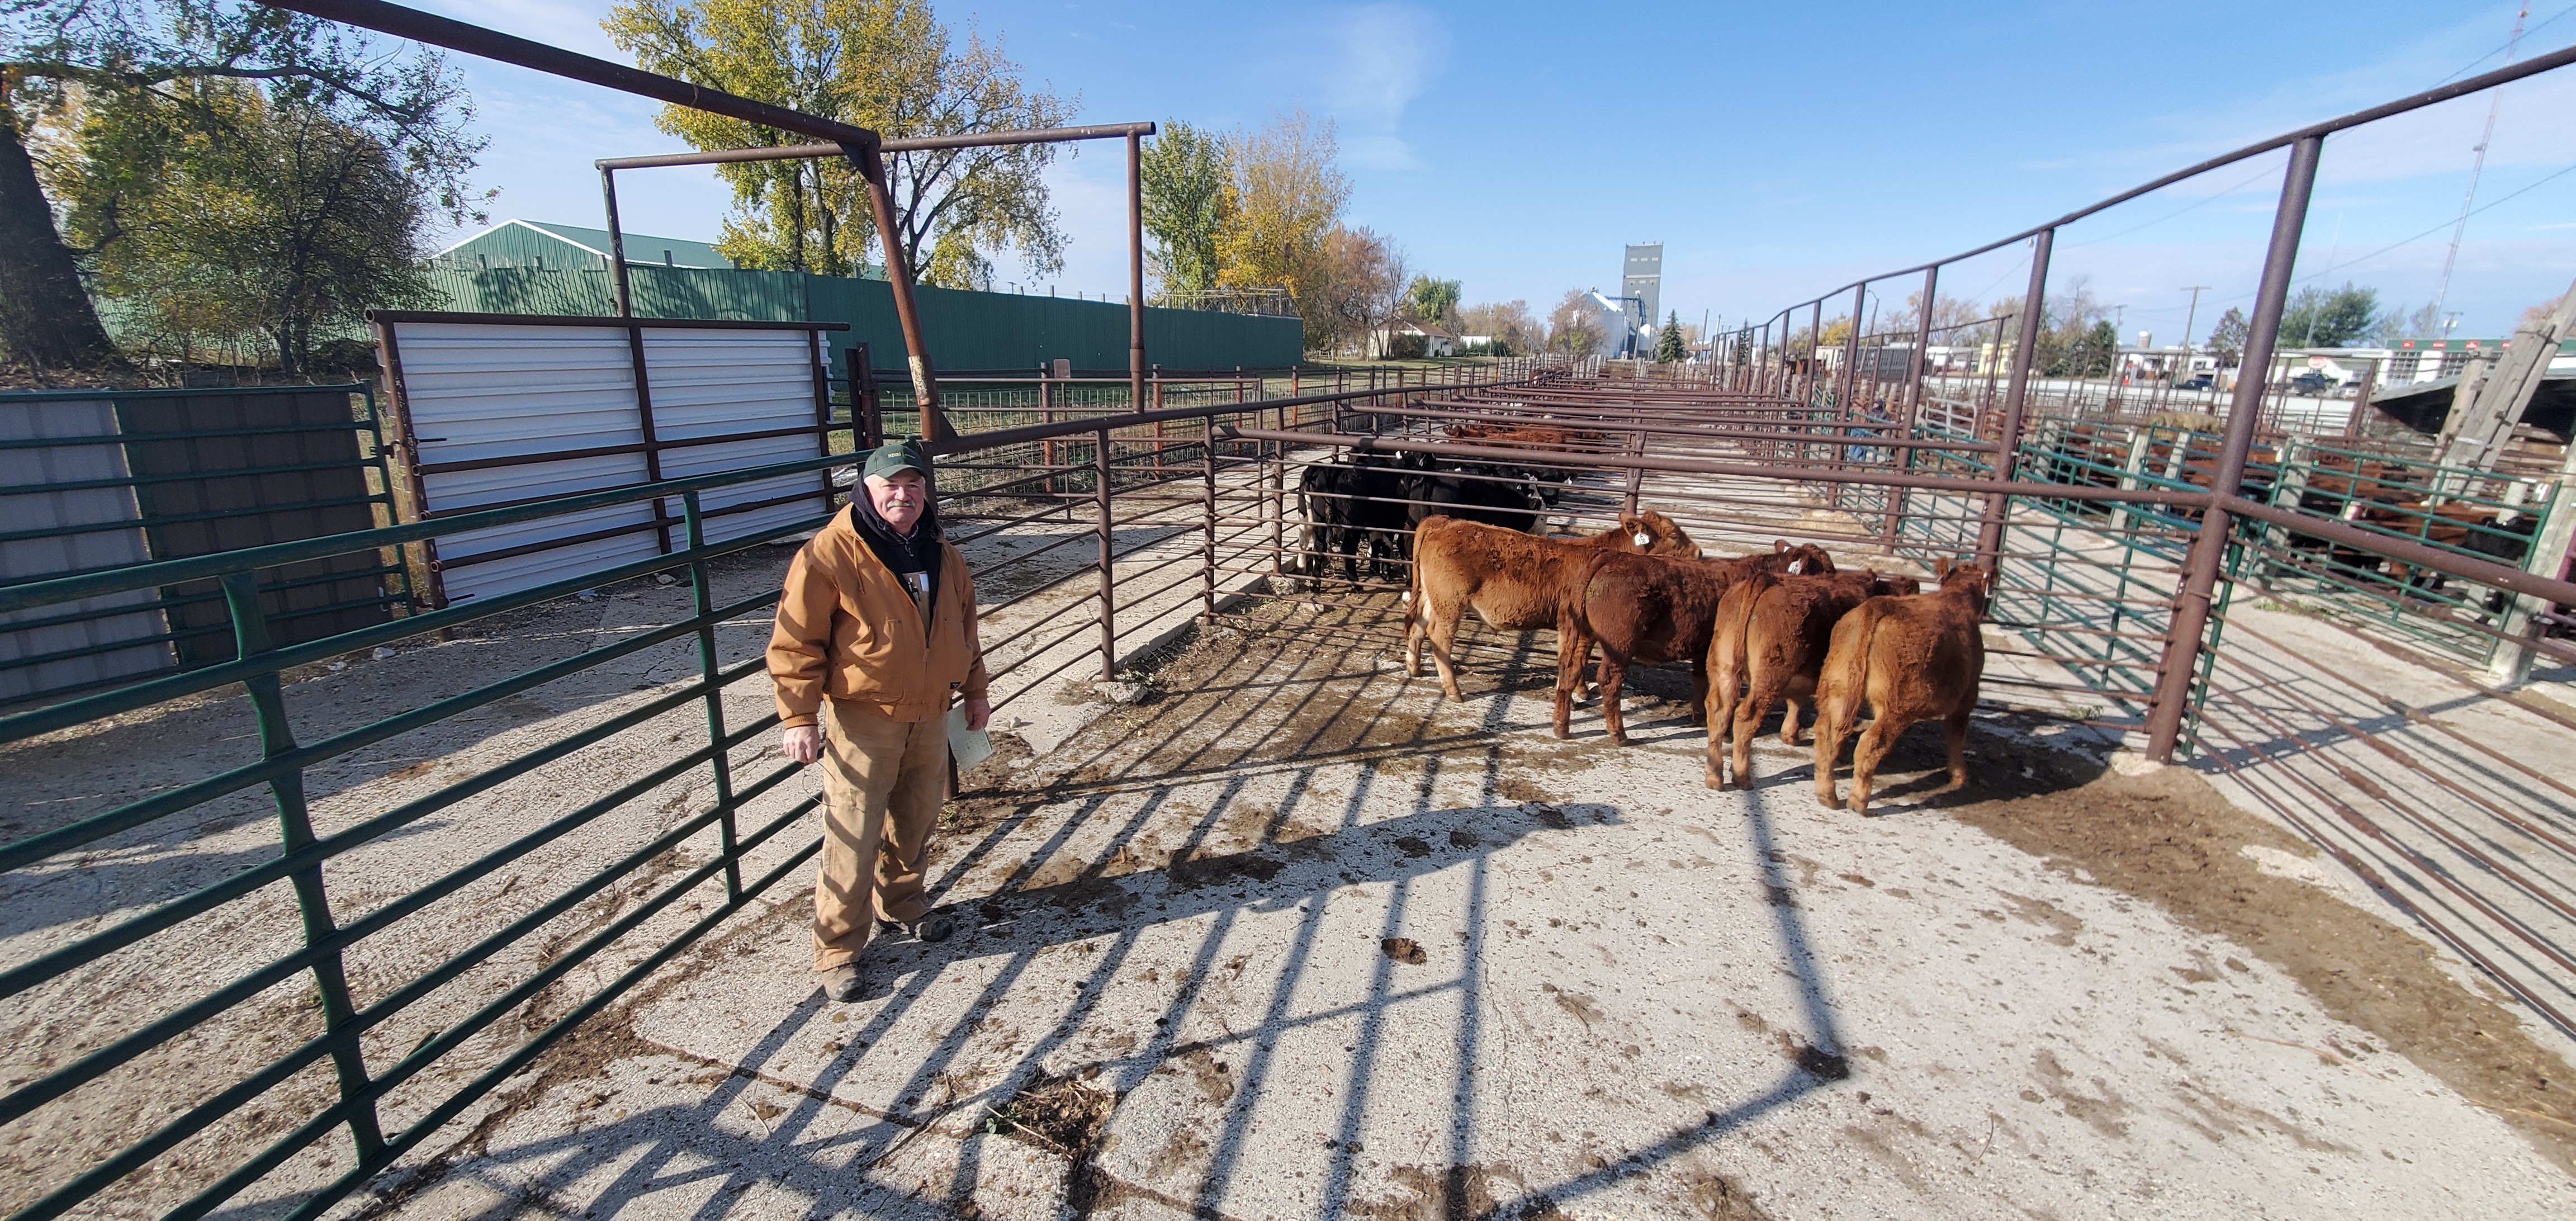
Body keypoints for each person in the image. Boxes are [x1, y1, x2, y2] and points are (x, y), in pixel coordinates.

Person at [768, 438, 989, 1002]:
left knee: (916, 817)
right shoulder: (830, 554)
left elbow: (965, 630)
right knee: (853, 830)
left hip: (931, 710)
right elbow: (797, 640)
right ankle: (839, 947)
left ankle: (904, 904)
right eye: (891, 486)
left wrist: (975, 692)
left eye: (914, 486)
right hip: (865, 716)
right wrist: (799, 716)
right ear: (866, 490)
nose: (904, 495)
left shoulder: (941, 552)